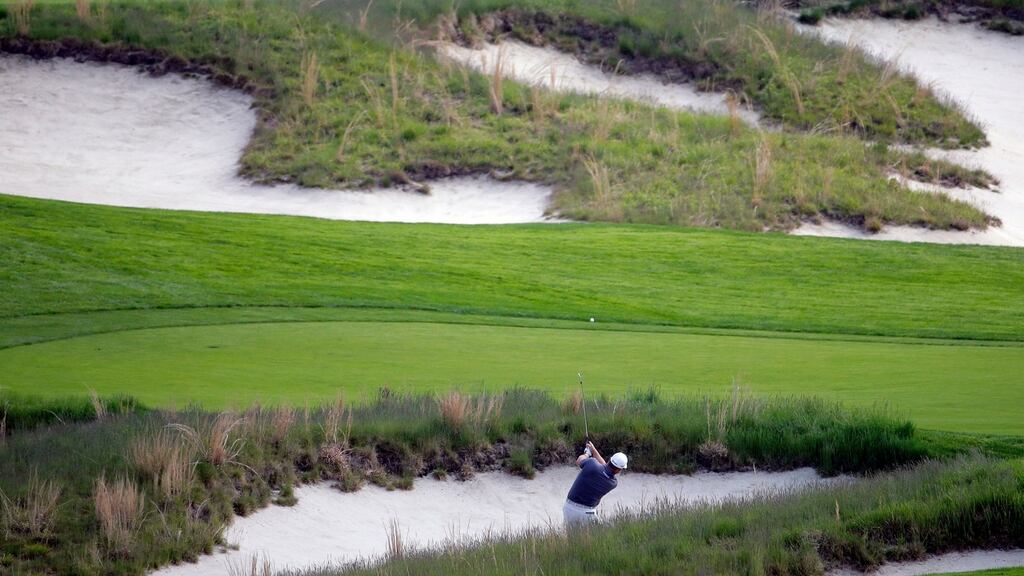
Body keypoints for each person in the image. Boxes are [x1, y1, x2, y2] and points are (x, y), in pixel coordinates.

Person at [563, 440, 628, 527]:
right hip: (586, 513)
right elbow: (604, 468)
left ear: (610, 459)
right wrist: (593, 450)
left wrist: (587, 453)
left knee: (572, 538)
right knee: (598, 535)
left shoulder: (592, 464)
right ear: (619, 470)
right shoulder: (613, 483)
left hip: (568, 508)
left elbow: (579, 461)